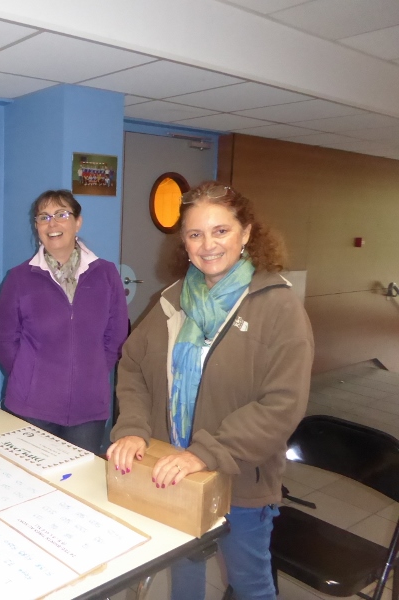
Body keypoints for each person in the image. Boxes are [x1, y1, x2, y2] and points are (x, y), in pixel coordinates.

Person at [106, 181, 314, 600]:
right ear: (184, 243)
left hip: (240, 478)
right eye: (195, 234)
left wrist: (205, 453)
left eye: (221, 231)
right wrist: (133, 428)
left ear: (246, 233)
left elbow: (282, 403)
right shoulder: (172, 300)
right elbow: (133, 367)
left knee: (250, 585)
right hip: (173, 471)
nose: (208, 245)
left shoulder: (279, 307)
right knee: (185, 571)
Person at [0, 190, 128, 455]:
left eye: (61, 214)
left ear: (78, 222)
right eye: (44, 217)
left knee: (79, 476)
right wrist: (28, 374)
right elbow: (4, 339)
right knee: (31, 476)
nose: (52, 223)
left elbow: (117, 335)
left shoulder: (106, 273)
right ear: (37, 227)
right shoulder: (19, 278)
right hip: (31, 407)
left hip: (88, 408)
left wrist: (92, 371)